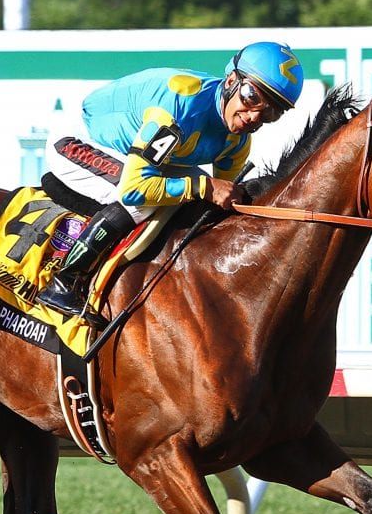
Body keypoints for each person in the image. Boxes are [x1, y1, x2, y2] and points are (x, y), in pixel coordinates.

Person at [36, 40, 305, 326]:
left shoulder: (237, 142)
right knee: (147, 203)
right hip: (78, 142)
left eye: (272, 112)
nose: (254, 117)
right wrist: (204, 187)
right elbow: (134, 189)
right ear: (231, 81)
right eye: (251, 97)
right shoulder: (179, 108)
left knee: (199, 192)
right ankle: (64, 281)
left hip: (128, 153)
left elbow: (221, 203)